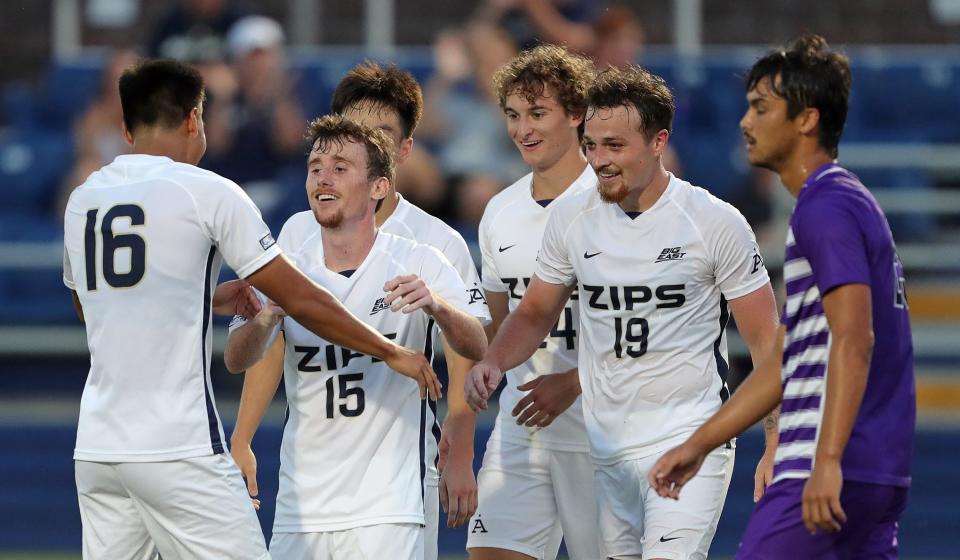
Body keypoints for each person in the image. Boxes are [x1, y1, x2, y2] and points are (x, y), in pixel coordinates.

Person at [61, 59, 438, 559]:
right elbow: (299, 297)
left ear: (126, 127)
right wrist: (388, 350)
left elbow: (92, 305)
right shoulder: (208, 191)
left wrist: (203, 296)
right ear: (195, 118)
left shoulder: (84, 198)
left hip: (98, 450)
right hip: (179, 446)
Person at [466, 65, 780, 560]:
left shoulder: (714, 222)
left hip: (689, 437)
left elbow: (768, 343)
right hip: (607, 448)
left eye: (615, 146)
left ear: (659, 141)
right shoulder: (573, 219)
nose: (599, 160)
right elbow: (532, 314)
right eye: (591, 145)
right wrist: (493, 362)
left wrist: (775, 437)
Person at [649, 34, 916, 559]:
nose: (745, 122)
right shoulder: (843, 202)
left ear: (806, 120)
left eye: (760, 108)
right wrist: (699, 444)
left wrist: (829, 459)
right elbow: (787, 360)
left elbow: (855, 338)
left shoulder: (827, 206)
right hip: (874, 469)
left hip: (825, 463)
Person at [228, 62, 491, 560]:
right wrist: (241, 437)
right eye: (352, 130)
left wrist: (459, 448)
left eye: (380, 135)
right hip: (308, 487)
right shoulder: (295, 235)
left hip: (394, 480)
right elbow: (269, 343)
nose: (360, 143)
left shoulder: (433, 243)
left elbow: (467, 354)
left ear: (401, 154)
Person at [465, 45, 602, 560]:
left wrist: (574, 381)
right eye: (514, 115)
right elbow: (504, 326)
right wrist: (486, 366)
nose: (524, 128)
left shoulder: (614, 202)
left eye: (538, 113)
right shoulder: (500, 211)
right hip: (522, 425)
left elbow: (652, 326)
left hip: (606, 430)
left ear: (577, 115)